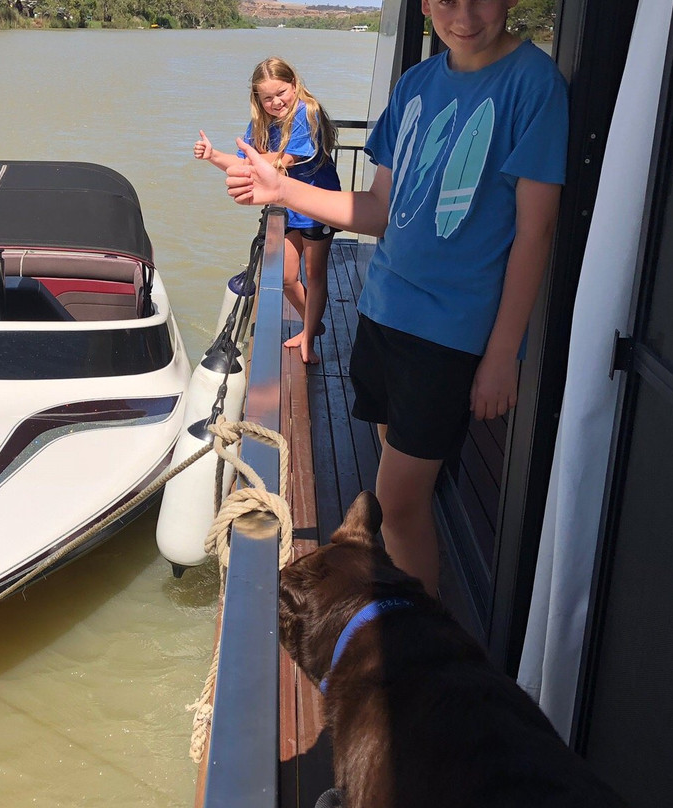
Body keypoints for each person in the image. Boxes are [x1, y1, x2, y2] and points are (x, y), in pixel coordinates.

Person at [223, 0, 568, 597]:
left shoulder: (534, 85)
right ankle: (410, 622)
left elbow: (536, 232)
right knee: (398, 498)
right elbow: (377, 211)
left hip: (449, 334)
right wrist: (282, 188)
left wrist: (501, 354)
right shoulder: (416, 83)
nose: (463, 15)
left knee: (397, 507)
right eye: (446, 0)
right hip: (381, 314)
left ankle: (414, 651)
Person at [194, 57, 341, 364]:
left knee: (314, 276)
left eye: (281, 92)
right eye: (267, 98)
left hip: (317, 203)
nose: (276, 102)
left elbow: (285, 161)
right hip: (287, 207)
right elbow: (246, 164)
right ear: (257, 100)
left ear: (294, 85)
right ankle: (312, 323)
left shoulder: (306, 112)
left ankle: (308, 339)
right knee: (287, 278)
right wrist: (213, 155)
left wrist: (251, 164)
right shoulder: (259, 124)